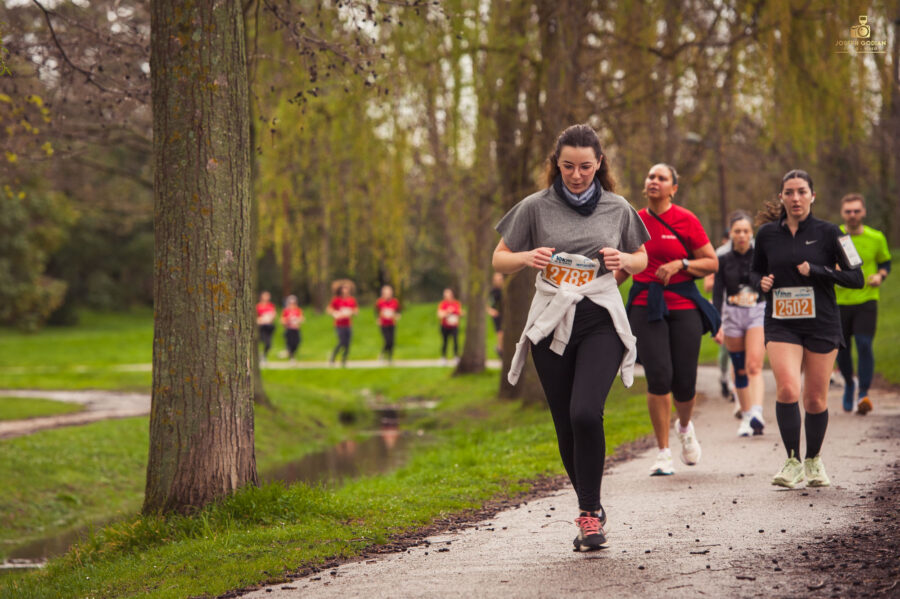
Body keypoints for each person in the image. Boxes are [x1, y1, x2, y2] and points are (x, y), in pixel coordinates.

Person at [493, 123, 649, 551]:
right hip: (551, 320)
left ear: (599, 164)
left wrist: (624, 259)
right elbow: (499, 259)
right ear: (556, 165)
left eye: (585, 166)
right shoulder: (535, 207)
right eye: (567, 166)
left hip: (600, 317)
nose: (576, 175)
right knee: (564, 421)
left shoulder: (618, 207)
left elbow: (642, 257)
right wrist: (526, 256)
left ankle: (589, 514)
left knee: (585, 413)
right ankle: (590, 510)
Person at [752, 170, 863, 489]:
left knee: (814, 399)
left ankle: (813, 459)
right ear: (781, 197)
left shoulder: (832, 232)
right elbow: (754, 272)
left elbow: (857, 278)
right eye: (789, 192)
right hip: (781, 322)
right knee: (788, 389)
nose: (796, 198)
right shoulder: (766, 234)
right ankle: (792, 461)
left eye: (802, 191)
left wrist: (817, 270)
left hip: (821, 322)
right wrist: (761, 283)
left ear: (812, 196)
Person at [623, 163, 720, 477]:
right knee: (659, 376)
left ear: (673, 188)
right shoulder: (634, 220)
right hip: (645, 304)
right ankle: (663, 452)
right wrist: (594, 289)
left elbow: (711, 263)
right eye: (651, 176)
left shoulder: (686, 219)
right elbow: (624, 266)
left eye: (661, 178)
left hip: (682, 304)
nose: (654, 181)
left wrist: (681, 264)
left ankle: (685, 427)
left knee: (684, 382)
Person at [835, 193, 891, 414]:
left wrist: (880, 276)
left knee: (864, 344)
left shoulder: (876, 237)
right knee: (842, 348)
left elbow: (885, 262)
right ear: (842, 213)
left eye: (856, 211)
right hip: (839, 301)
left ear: (864, 212)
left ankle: (863, 393)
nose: (852, 215)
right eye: (848, 211)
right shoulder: (835, 236)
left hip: (867, 299)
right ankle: (850, 383)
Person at [713, 212, 766, 437]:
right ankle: (745, 415)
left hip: (757, 312)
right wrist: (717, 323)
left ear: (751, 233)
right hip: (732, 314)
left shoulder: (761, 255)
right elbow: (718, 293)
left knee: (754, 365)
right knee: (740, 368)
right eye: (737, 231)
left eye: (746, 231)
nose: (742, 235)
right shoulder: (723, 258)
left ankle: (757, 412)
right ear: (731, 234)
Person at [705, 231, 737, 405]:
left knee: (739, 351)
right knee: (726, 349)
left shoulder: (753, 250)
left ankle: (734, 388)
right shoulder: (720, 254)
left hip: (746, 308)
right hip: (725, 306)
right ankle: (725, 377)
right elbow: (708, 285)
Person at [328, 281, 358, 366]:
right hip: (339, 324)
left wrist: (351, 312)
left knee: (348, 343)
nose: (346, 290)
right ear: (341, 289)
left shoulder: (351, 300)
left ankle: (344, 359)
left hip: (348, 324)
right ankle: (333, 356)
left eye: (347, 288)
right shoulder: (336, 299)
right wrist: (335, 313)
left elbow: (356, 311)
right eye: (344, 288)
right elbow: (329, 309)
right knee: (342, 342)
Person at [375, 285, 401, 363]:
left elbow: (398, 311)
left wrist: (397, 316)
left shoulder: (395, 301)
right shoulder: (380, 302)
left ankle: (390, 357)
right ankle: (382, 354)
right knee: (387, 340)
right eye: (386, 293)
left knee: (392, 341)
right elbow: (376, 311)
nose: (388, 294)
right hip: (384, 324)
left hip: (392, 323)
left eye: (389, 293)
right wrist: (378, 319)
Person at [437, 288, 463, 361]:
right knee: (445, 342)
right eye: (445, 295)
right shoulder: (442, 304)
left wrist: (458, 313)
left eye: (448, 294)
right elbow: (439, 315)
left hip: (454, 326)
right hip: (445, 326)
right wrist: (448, 312)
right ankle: (443, 357)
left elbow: (461, 313)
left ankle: (456, 356)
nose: (446, 296)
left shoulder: (456, 303)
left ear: (452, 295)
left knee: (455, 341)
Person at [281, 295, 304, 362]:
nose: (292, 304)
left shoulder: (298, 310)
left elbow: (302, 318)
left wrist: (297, 320)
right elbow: (282, 320)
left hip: (296, 329)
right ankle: (291, 357)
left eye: (293, 303)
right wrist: (288, 319)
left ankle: (292, 354)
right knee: (290, 343)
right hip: (289, 329)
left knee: (297, 342)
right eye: (291, 303)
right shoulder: (286, 310)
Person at [487, 272, 504, 357]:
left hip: (505, 315)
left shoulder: (505, 291)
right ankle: (500, 349)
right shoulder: (492, 292)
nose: (498, 281)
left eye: (499, 279)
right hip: (497, 315)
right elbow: (487, 304)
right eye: (496, 280)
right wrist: (491, 311)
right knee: (500, 331)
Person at [256, 291, 276, 362]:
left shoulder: (271, 305)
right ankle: (258, 356)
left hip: (269, 326)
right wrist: (260, 320)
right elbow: (255, 316)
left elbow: (274, 314)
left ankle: (264, 355)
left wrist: (270, 318)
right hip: (261, 327)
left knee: (268, 344)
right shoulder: (258, 306)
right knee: (260, 341)